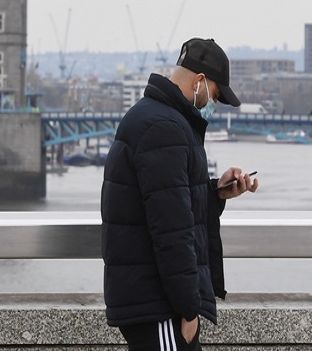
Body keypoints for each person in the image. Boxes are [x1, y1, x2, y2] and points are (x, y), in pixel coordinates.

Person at [101, 37, 259, 351]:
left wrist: (216, 191)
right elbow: (171, 230)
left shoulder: (154, 118)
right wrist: (188, 309)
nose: (213, 103)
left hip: (152, 300)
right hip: (160, 305)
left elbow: (167, 202)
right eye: (215, 95)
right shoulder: (166, 128)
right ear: (199, 82)